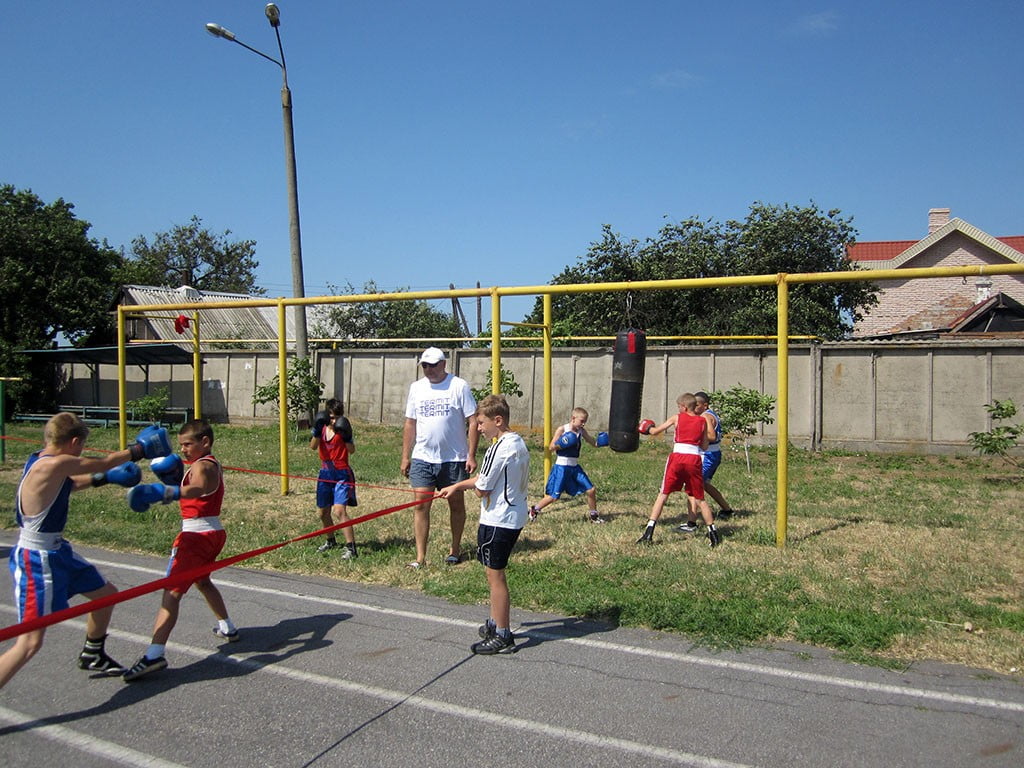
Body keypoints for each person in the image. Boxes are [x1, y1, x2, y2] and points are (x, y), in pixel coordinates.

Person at [0, 413, 171, 690]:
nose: (81, 452)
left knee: (105, 595)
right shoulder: (57, 463)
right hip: (36, 559)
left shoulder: (40, 460)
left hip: (58, 551)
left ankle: (93, 653)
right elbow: (102, 462)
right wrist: (138, 450)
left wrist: (106, 480)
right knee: (29, 643)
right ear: (75, 442)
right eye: (81, 446)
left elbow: (69, 485)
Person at [123, 419, 240, 681]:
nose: (184, 450)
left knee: (171, 593)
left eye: (188, 444)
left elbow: (196, 489)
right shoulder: (205, 464)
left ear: (205, 442)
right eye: (181, 446)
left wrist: (162, 492)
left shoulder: (202, 466)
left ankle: (154, 654)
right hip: (211, 532)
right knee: (202, 581)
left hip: (196, 536)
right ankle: (228, 627)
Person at [438, 394, 529, 655]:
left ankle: (502, 633)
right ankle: (494, 622)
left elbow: (482, 489)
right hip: (512, 516)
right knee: (493, 573)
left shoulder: (498, 447)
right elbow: (484, 477)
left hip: (499, 519)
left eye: (481, 422)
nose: (478, 428)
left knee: (495, 575)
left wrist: (467, 487)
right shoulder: (517, 442)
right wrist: (455, 486)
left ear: (497, 421)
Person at [400, 347, 479, 569]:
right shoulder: (416, 388)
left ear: (444, 364)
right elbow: (410, 423)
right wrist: (406, 456)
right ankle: (420, 557)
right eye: (425, 365)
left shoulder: (458, 385)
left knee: (455, 504)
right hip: (423, 458)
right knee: (421, 506)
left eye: (433, 365)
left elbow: (472, 421)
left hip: (453, 459)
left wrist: (470, 455)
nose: (429, 369)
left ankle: (455, 549)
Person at [637, 393, 720, 548]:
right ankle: (713, 534)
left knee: (663, 494)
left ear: (683, 406)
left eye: (679, 406)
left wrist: (645, 427)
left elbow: (655, 432)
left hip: (677, 458)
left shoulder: (677, 418)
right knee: (700, 498)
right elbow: (704, 446)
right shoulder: (702, 421)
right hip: (694, 459)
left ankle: (649, 531)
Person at [528, 406, 608, 524]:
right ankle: (534, 510)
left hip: (575, 467)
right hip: (561, 467)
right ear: (573, 418)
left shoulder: (581, 431)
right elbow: (551, 447)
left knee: (591, 490)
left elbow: (594, 443)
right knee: (554, 497)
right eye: (582, 421)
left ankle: (594, 516)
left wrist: (604, 441)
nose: (583, 424)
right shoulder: (562, 429)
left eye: (585, 421)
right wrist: (563, 442)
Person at [310, 398, 358, 558]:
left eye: (337, 417)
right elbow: (313, 446)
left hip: (342, 473)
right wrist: (316, 431)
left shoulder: (342, 429)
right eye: (331, 417)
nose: (334, 420)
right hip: (325, 473)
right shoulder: (322, 428)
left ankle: (351, 547)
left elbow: (352, 450)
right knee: (323, 513)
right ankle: (330, 540)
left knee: (339, 510)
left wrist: (345, 437)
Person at [682, 391, 734, 529]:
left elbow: (712, 436)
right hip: (713, 454)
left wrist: (695, 438)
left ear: (705, 405)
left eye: (697, 405)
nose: (694, 408)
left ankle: (691, 523)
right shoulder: (709, 414)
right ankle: (727, 509)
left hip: (708, 456)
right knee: (704, 484)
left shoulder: (705, 416)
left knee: (692, 486)